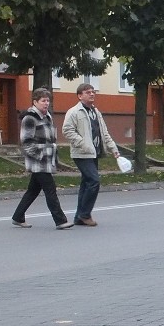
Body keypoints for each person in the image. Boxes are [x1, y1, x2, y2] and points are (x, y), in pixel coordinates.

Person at [11, 88, 74, 230]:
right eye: (43, 101)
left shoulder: (47, 116)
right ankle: (60, 220)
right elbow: (26, 142)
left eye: (48, 100)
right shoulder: (29, 118)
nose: (46, 103)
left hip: (47, 160)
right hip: (38, 162)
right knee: (50, 189)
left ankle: (17, 217)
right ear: (35, 102)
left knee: (33, 190)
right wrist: (40, 155)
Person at [62, 83, 120, 226]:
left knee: (86, 183)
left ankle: (79, 217)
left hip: (94, 152)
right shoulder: (74, 111)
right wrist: (82, 143)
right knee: (94, 181)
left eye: (93, 91)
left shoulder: (95, 112)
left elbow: (104, 132)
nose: (92, 94)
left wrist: (113, 148)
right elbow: (67, 130)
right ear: (80, 96)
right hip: (81, 153)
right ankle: (85, 214)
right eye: (88, 92)